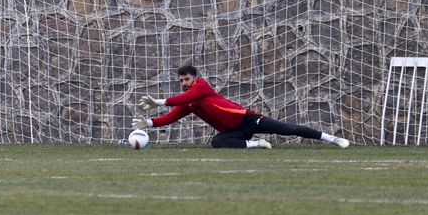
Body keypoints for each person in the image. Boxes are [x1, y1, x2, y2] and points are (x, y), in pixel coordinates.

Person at [132, 65, 349, 149]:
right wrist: (149, 122)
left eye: (186, 79)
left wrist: (159, 102)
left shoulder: (201, 86)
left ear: (194, 78)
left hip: (247, 119)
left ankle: (332, 139)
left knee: (287, 128)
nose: (184, 83)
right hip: (234, 131)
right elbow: (173, 116)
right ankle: (258, 144)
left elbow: (181, 99)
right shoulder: (188, 100)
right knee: (217, 142)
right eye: (181, 81)